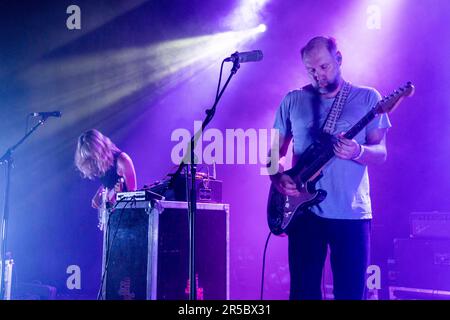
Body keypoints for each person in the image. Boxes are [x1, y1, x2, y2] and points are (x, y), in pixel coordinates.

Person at [269, 36, 391, 300]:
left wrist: (358, 151)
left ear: (339, 59)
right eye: (311, 70)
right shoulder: (293, 99)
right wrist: (277, 176)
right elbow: (272, 153)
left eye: (324, 67)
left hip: (351, 213)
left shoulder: (368, 98)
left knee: (350, 293)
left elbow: (380, 153)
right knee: (303, 292)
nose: (318, 75)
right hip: (304, 213)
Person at [75, 129, 137, 212]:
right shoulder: (100, 163)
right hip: (112, 215)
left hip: (125, 216)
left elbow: (133, 195)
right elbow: (110, 182)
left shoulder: (123, 160)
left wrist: (119, 197)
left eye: (92, 155)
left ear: (99, 149)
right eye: (88, 157)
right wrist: (99, 193)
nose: (92, 160)